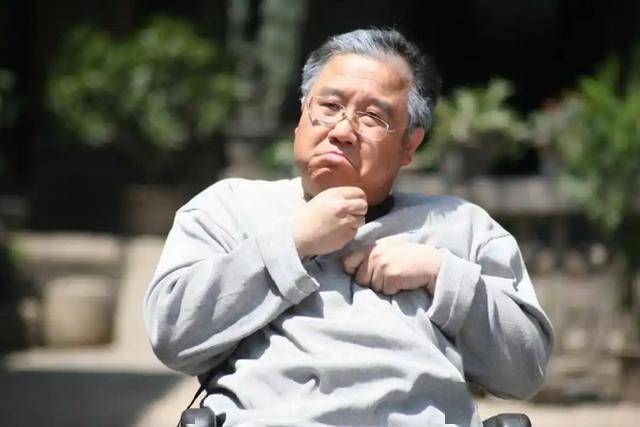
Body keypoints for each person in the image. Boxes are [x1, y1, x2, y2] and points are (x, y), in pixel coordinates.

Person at [144, 28, 554, 427]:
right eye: (329, 106)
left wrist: (442, 274)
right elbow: (172, 335)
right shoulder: (230, 208)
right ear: (301, 116)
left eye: (372, 116)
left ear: (410, 145)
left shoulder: (462, 226)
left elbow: (525, 370)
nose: (342, 131)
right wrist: (292, 242)